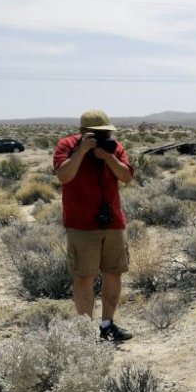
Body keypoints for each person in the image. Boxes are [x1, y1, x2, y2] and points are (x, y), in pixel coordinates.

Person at [53, 110, 135, 342]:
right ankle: (86, 332)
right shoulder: (67, 145)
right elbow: (64, 176)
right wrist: (82, 151)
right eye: (97, 134)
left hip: (113, 222)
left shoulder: (113, 147)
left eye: (106, 133)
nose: (104, 136)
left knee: (114, 271)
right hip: (81, 224)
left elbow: (127, 177)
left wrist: (108, 157)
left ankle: (107, 325)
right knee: (84, 276)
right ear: (82, 133)